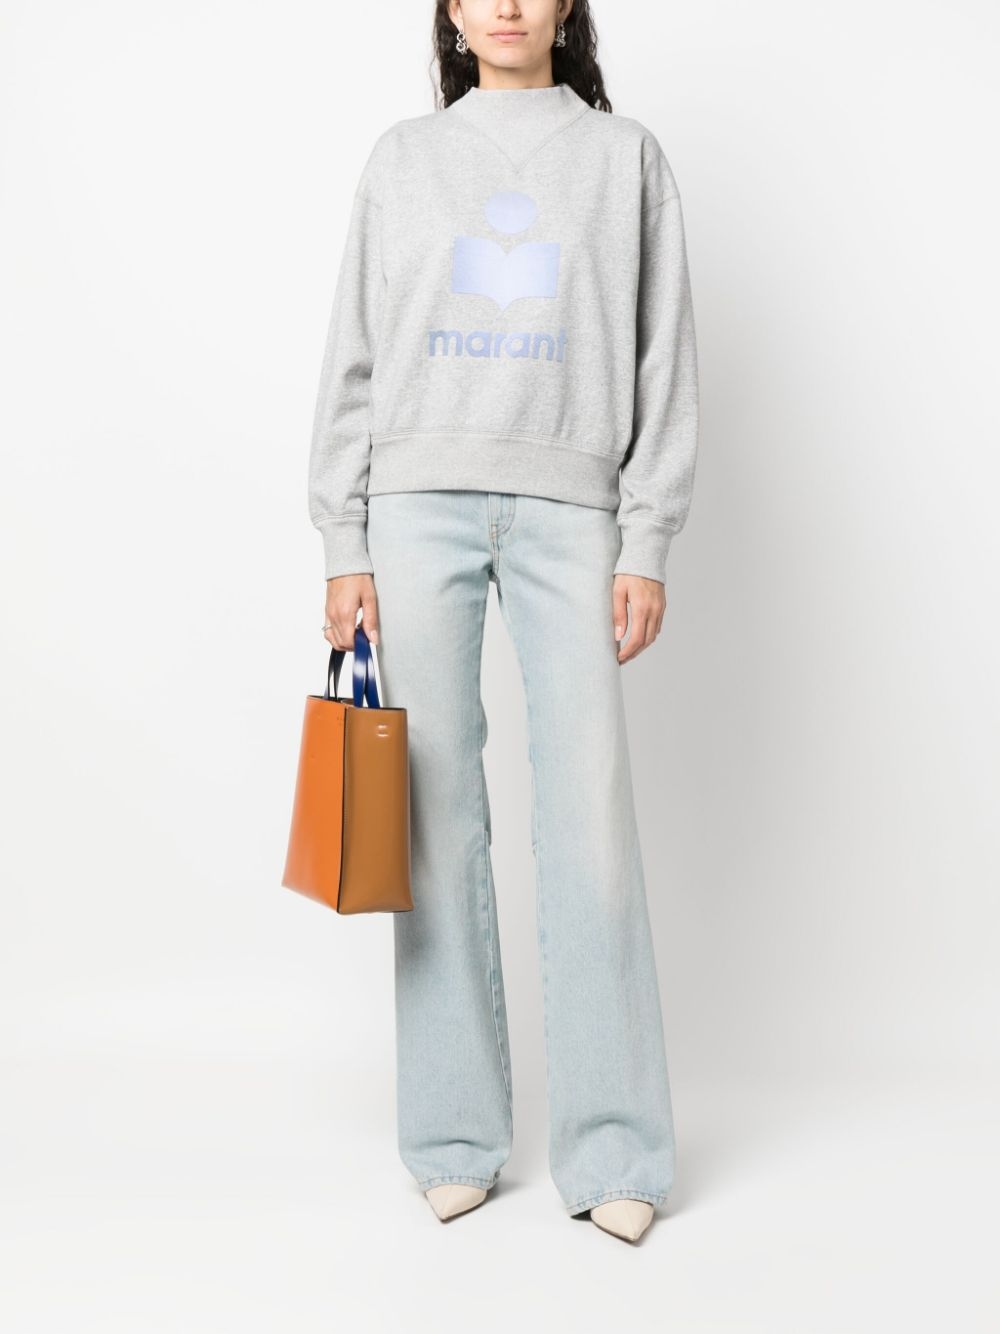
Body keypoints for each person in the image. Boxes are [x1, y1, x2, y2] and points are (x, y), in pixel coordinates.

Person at [307, 0, 699, 1244]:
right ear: (451, 9)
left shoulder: (623, 158)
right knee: (431, 816)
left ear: (569, 3)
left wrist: (646, 535)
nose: (509, 3)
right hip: (415, 504)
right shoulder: (402, 159)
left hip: (571, 508)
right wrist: (344, 536)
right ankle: (451, 1133)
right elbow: (355, 356)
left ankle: (615, 1145)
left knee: (588, 818)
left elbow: (661, 360)